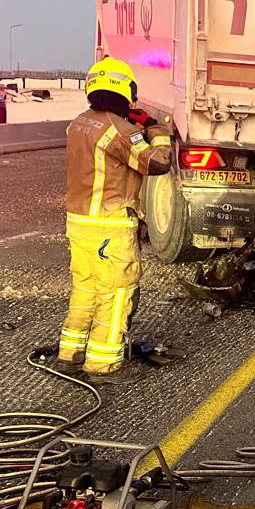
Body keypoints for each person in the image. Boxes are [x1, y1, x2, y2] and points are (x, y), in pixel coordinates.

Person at [54, 56, 172, 381]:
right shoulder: (123, 132)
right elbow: (158, 163)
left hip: (79, 222)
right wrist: (156, 129)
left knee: (85, 288)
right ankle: (102, 365)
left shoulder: (78, 122)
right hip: (110, 223)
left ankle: (70, 354)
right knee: (117, 293)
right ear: (126, 91)